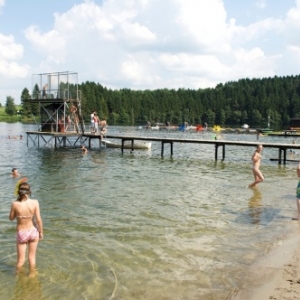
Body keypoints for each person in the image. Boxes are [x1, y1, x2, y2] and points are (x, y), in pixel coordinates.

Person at [9, 180, 43, 275]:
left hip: (22, 233)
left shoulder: (15, 204)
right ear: (29, 192)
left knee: (20, 261)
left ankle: (19, 279)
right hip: (33, 231)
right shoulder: (35, 202)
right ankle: (32, 276)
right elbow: (39, 220)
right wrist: (41, 232)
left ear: (19, 192)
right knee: (32, 258)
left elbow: (11, 218)